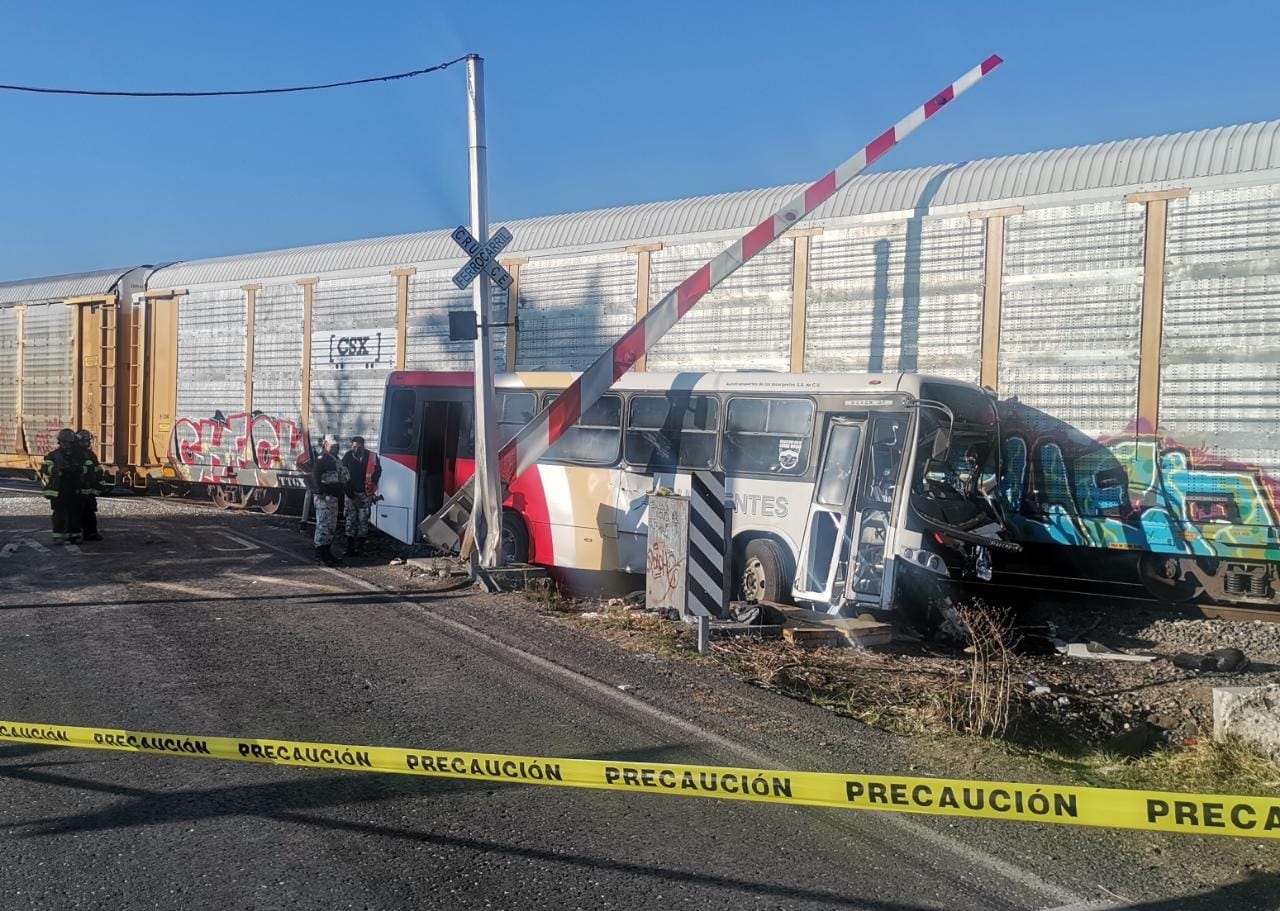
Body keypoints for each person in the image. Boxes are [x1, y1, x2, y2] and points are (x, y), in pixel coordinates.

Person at [37, 428, 85, 544]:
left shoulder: (80, 455)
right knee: (60, 513)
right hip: (59, 489)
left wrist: (78, 469)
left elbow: (88, 468)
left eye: (67, 442)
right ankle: (58, 536)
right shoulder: (53, 455)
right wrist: (56, 470)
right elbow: (45, 468)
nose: (65, 445)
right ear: (59, 442)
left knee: (75, 513)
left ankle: (75, 535)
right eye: (63, 442)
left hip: (74, 488)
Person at [310, 434, 349, 566]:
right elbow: (315, 475)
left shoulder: (335, 459)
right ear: (325, 445)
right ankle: (319, 554)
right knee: (323, 525)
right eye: (332, 446)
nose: (334, 448)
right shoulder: (322, 458)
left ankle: (327, 553)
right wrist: (319, 491)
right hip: (324, 497)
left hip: (333, 497)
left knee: (331, 526)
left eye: (336, 446)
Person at [340, 435, 381, 557]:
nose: (356, 449)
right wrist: (348, 492)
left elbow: (378, 471)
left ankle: (361, 548)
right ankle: (350, 548)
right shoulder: (347, 456)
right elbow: (342, 474)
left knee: (363, 521)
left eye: (358, 447)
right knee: (350, 520)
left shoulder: (372, 456)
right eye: (354, 447)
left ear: (363, 446)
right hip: (351, 494)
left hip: (365, 493)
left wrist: (373, 482)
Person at [76, 429, 109, 541]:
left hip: (84, 490)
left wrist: (98, 484)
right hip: (82, 490)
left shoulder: (84, 454)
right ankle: (86, 533)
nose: (87, 443)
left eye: (87, 441)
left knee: (86, 512)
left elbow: (97, 470)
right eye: (85, 441)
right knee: (85, 512)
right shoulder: (82, 454)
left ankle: (85, 533)